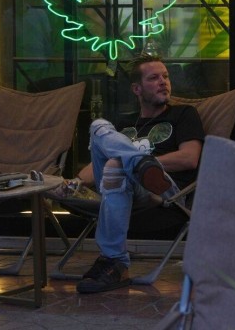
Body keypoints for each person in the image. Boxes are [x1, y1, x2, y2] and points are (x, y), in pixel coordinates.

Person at [74, 55, 204, 294]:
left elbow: (189, 158)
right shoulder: (124, 124)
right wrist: (74, 183)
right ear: (137, 89)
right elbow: (94, 168)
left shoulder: (184, 114)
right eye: (153, 78)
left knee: (117, 164)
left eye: (165, 76)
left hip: (164, 192)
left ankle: (115, 262)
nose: (163, 82)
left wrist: (148, 163)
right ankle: (137, 162)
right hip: (122, 185)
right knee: (98, 127)